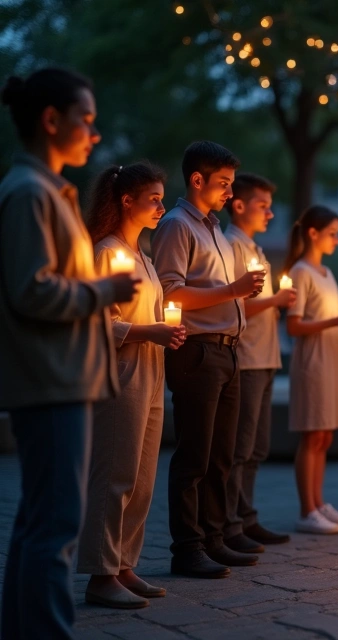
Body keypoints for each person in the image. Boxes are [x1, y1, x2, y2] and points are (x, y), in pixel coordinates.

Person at [0, 68, 138, 638]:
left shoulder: (48, 191)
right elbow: (31, 288)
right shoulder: (29, 193)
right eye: (85, 119)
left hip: (63, 376)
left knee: (38, 519)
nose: (94, 134)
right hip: (51, 379)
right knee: (56, 523)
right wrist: (104, 292)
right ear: (50, 120)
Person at [152, 140, 265, 577]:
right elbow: (171, 292)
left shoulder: (214, 229)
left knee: (221, 454)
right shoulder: (177, 226)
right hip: (197, 351)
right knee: (195, 455)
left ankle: (215, 537)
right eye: (222, 183)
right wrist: (233, 291)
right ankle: (187, 547)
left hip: (227, 351)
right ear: (196, 179)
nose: (228, 192)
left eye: (231, 184)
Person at [77, 162, 186, 609]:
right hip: (119, 374)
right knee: (115, 473)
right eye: (155, 198)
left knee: (142, 476)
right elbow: (95, 322)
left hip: (151, 372)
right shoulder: (105, 252)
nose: (161, 205)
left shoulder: (143, 255)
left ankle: (124, 564)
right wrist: (147, 332)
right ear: (127, 200)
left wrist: (167, 329)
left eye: (162, 198)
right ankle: (100, 574)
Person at [224, 173, 294, 549]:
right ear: (239, 205)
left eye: (270, 206)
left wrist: (274, 305)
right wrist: (275, 302)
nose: (269, 213)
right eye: (262, 206)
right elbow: (235, 304)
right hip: (246, 356)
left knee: (257, 446)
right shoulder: (232, 246)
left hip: (266, 356)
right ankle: (230, 523)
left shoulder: (256, 249)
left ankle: (246, 516)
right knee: (241, 446)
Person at [283, 206, 338, 534]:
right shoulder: (301, 271)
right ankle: (305, 509)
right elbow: (295, 326)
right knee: (312, 433)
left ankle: (319, 501)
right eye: (332, 233)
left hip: (332, 358)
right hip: (312, 360)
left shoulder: (326, 273)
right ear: (313, 233)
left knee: (325, 434)